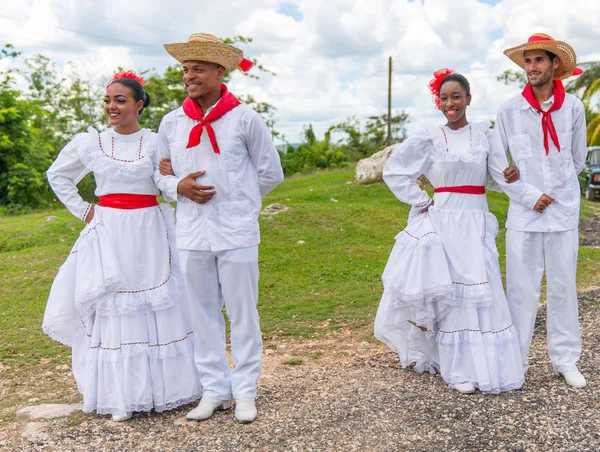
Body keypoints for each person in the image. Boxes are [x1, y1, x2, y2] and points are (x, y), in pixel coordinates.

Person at [43, 71, 202, 421]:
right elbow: (58, 175)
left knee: (158, 302)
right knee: (113, 304)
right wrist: (85, 210)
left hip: (150, 229)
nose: (111, 106)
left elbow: (168, 176)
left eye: (120, 100)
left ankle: (169, 389)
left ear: (139, 104)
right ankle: (120, 396)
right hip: (109, 230)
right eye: (108, 100)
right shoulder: (92, 142)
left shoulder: (157, 140)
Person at [374, 69, 540, 394]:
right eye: (445, 98)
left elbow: (494, 178)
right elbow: (394, 171)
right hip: (443, 222)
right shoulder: (429, 137)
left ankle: (487, 365)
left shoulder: (485, 135)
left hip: (475, 220)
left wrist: (513, 176)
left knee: (481, 292)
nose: (451, 103)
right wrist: (420, 200)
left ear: (468, 99)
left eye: (457, 97)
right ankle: (458, 368)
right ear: (438, 102)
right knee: (451, 295)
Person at [154, 33, 284, 423]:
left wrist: (237, 202)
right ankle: (214, 389)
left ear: (218, 70)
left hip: (236, 232)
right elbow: (157, 173)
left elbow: (270, 172)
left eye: (197, 68)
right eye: (185, 69)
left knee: (244, 312)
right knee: (202, 313)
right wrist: (178, 186)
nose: (188, 75)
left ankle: (245, 390)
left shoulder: (244, 118)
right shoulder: (172, 123)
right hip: (192, 233)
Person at [496, 33, 587, 388]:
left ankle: (566, 360)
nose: (531, 67)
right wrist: (528, 193)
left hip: (563, 213)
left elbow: (577, 160)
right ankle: (515, 362)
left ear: (553, 64)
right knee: (521, 290)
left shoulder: (574, 108)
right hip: (523, 214)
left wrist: (553, 193)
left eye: (537, 60)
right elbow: (496, 163)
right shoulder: (508, 109)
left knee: (563, 288)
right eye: (527, 61)